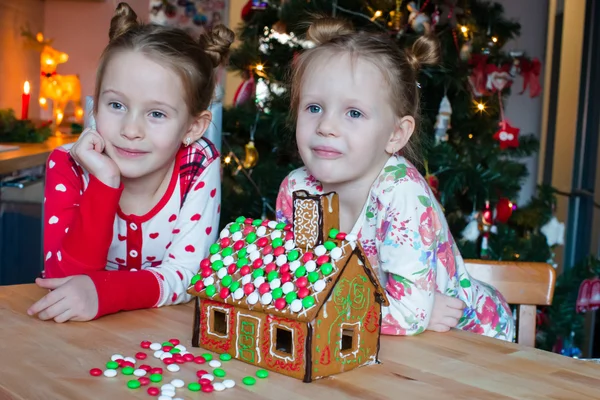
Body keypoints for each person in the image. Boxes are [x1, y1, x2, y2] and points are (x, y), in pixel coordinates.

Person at [276, 17, 514, 339]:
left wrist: (408, 312)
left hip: (473, 340)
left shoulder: (400, 192)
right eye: (314, 107)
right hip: (383, 340)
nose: (326, 126)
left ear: (396, 135)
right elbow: (296, 281)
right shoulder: (299, 189)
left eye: (354, 113)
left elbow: (407, 316)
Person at [27, 2, 234, 322]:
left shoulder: (197, 165)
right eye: (116, 105)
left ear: (192, 127)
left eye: (156, 113)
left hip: (163, 330)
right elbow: (62, 277)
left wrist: (104, 292)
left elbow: (187, 275)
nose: (130, 130)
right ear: (95, 106)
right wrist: (105, 181)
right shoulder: (68, 163)